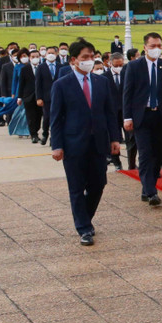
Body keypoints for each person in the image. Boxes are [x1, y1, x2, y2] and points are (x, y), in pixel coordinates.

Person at [50, 37, 122, 246]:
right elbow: (56, 118)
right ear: (74, 60)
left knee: (99, 183)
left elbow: (110, 113)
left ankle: (85, 219)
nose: (89, 60)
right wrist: (57, 145)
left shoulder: (102, 82)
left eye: (92, 56)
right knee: (76, 187)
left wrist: (115, 138)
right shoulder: (62, 85)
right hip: (73, 144)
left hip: (99, 142)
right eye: (85, 57)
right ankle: (83, 228)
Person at [123, 32, 162, 206]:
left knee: (158, 154)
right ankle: (152, 192)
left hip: (161, 116)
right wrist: (127, 117)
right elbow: (127, 94)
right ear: (145, 47)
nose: (156, 49)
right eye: (153, 46)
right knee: (145, 154)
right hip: (142, 116)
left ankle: (147, 188)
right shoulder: (134, 66)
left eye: (159, 46)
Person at [101, 52, 126, 169]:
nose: (118, 68)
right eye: (116, 65)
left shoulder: (127, 74)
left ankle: (131, 162)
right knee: (114, 137)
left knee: (131, 137)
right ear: (110, 64)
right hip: (112, 112)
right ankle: (117, 162)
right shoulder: (104, 77)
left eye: (121, 65)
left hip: (126, 111)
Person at [34, 46, 61, 145]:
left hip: (58, 97)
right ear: (45, 55)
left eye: (53, 53)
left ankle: (53, 138)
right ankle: (45, 133)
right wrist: (39, 97)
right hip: (46, 98)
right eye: (48, 53)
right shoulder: (41, 67)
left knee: (56, 118)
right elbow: (38, 84)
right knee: (47, 117)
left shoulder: (60, 66)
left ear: (56, 54)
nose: (50, 55)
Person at [17, 48, 42, 144]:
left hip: (40, 96)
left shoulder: (42, 68)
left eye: (37, 57)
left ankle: (36, 130)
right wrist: (19, 97)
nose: (35, 58)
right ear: (29, 58)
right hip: (28, 96)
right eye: (33, 57)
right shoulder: (25, 69)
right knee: (30, 116)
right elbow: (21, 83)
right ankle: (33, 135)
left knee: (39, 116)